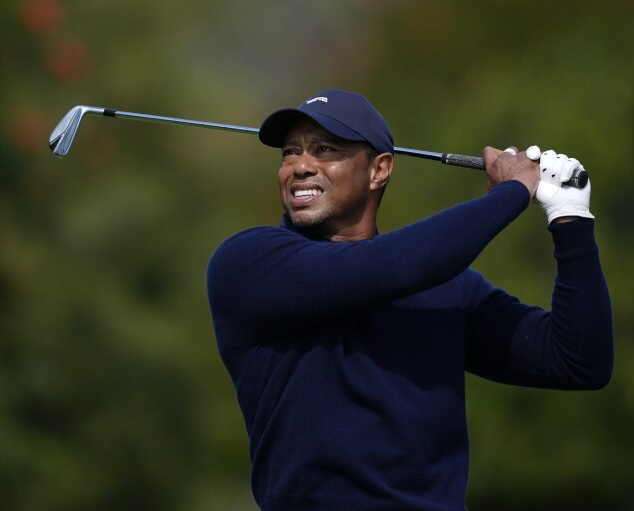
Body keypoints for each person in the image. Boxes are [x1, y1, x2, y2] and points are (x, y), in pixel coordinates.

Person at [206, 89, 613, 511]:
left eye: (325, 149)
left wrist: (571, 219)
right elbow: (394, 266)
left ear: (379, 169)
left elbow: (578, 360)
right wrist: (512, 192)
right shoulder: (248, 264)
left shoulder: (447, 290)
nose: (301, 167)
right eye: (290, 153)